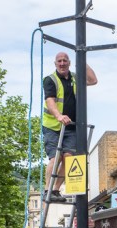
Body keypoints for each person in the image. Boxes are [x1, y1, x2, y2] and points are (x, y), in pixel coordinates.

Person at [42, 51, 98, 203]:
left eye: (65, 60)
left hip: (72, 127)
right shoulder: (50, 80)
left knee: (69, 159)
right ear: (55, 63)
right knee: (56, 157)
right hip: (53, 126)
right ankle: (47, 190)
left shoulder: (75, 77)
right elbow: (50, 101)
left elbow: (93, 80)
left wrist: (83, 61)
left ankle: (55, 189)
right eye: (59, 61)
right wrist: (59, 116)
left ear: (69, 63)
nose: (62, 63)